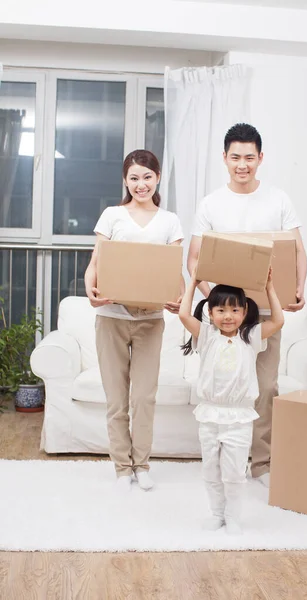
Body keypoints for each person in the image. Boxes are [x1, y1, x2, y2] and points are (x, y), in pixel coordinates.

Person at [187, 123, 307, 486]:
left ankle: (262, 464)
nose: (243, 164)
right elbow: (194, 259)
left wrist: (299, 287)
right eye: (236, 157)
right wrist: (216, 301)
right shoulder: (211, 203)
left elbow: (298, 251)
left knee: (266, 386)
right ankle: (228, 460)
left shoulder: (278, 199)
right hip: (227, 316)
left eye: (250, 157)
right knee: (228, 384)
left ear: (261, 158)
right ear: (224, 158)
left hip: (266, 311)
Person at [85, 150, 184, 492]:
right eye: (133, 178)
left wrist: (179, 297)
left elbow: (175, 272)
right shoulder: (113, 215)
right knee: (116, 398)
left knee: (143, 397)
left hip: (150, 319)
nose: (140, 184)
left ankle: (142, 464)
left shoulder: (169, 221)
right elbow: (96, 262)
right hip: (111, 316)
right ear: (125, 181)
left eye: (147, 177)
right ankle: (121, 468)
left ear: (157, 178)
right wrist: (90, 288)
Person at [179, 267, 284, 534]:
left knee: (235, 472)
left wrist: (269, 287)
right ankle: (216, 513)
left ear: (245, 312)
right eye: (221, 311)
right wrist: (193, 283)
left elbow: (278, 321)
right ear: (211, 314)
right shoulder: (206, 336)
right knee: (211, 470)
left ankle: (233, 517)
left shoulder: (250, 338)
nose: (228, 316)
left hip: (239, 416)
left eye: (235, 310)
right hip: (210, 415)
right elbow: (182, 314)